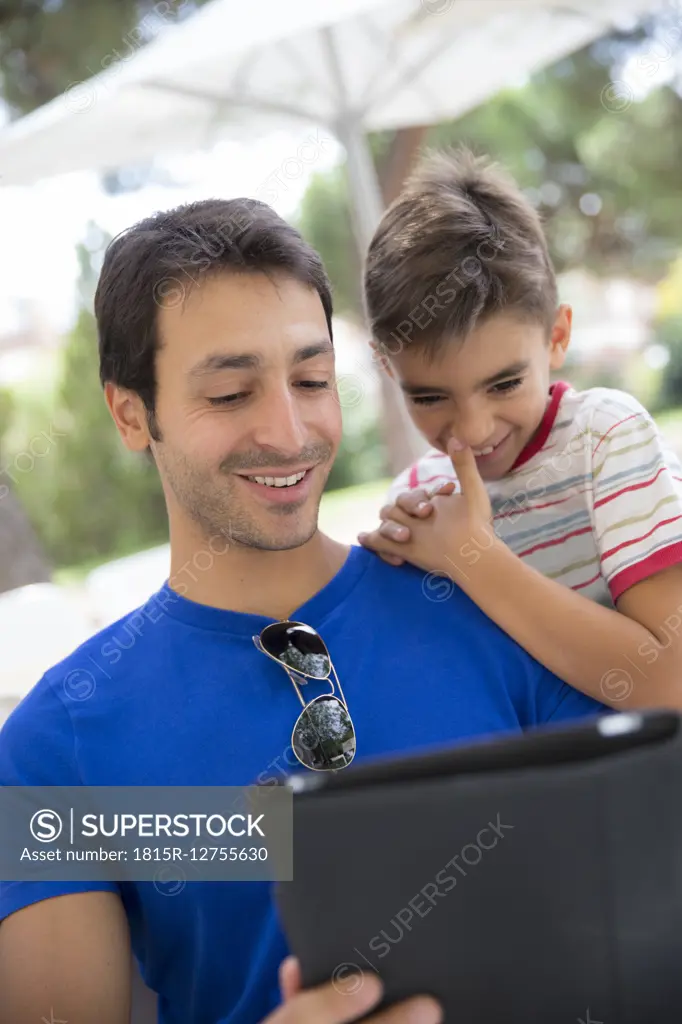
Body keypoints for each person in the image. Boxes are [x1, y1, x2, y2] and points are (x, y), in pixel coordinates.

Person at [0, 197, 604, 1024]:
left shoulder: (495, 608)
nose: (288, 432)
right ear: (130, 413)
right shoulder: (52, 747)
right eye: (229, 393)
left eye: (313, 380)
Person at [359, 147, 682, 712]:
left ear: (557, 337)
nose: (474, 429)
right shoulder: (420, 506)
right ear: (388, 367)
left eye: (504, 384)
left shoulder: (605, 438)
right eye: (430, 397)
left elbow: (667, 683)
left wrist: (474, 559)